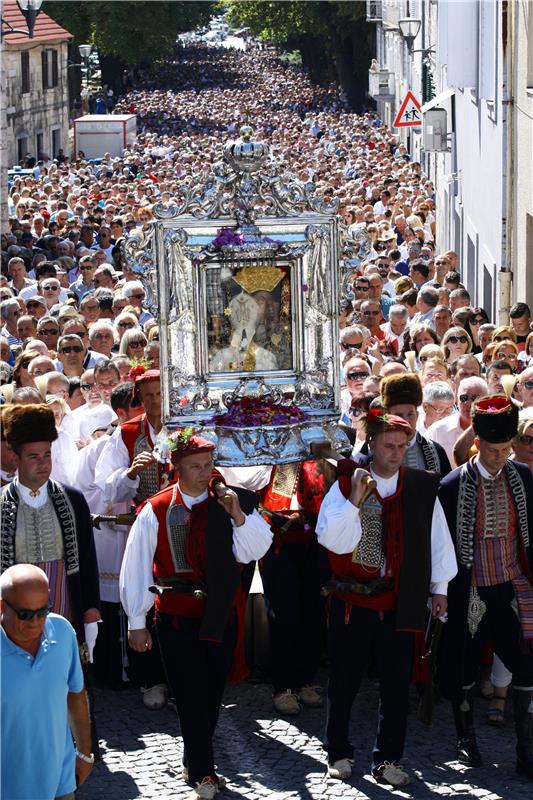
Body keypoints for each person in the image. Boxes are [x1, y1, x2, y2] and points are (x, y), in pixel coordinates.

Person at [120, 430, 273, 799]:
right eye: (195, 466)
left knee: (210, 695)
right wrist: (137, 622)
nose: (205, 473)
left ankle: (194, 756)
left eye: (208, 465)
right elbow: (137, 565)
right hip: (174, 616)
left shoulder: (228, 505)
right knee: (188, 694)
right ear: (177, 468)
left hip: (220, 615)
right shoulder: (156, 509)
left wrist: (237, 514)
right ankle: (205, 772)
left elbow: (257, 547)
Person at [316, 410, 457, 787]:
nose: (395, 453)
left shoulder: (421, 487)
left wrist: (440, 588)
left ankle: (388, 760)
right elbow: (331, 539)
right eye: (388, 445)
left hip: (400, 599)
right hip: (354, 601)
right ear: (373, 444)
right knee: (344, 681)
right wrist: (356, 499)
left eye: (401, 446)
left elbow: (437, 539)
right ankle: (339, 752)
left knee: (396, 686)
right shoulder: (348, 482)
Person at [438, 396, 533, 779]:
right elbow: (439, 544)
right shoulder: (451, 486)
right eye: (494, 450)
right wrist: (439, 591)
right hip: (470, 590)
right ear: (477, 443)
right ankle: (465, 738)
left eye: (507, 449)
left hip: (513, 586)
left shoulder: (524, 477)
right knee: (462, 666)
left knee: (527, 666)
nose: (500, 457)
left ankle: (526, 750)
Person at [0, 404, 100, 644]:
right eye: (34, 456)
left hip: (64, 602)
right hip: (14, 609)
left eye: (46, 455)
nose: (43, 463)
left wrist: (90, 607)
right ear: (17, 458)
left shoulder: (72, 499)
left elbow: (87, 557)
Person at [1, 564, 93, 800]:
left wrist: (84, 753)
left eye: (43, 612)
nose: (35, 622)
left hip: (60, 785)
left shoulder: (62, 632)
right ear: (2, 606)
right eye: (25, 614)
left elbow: (75, 695)